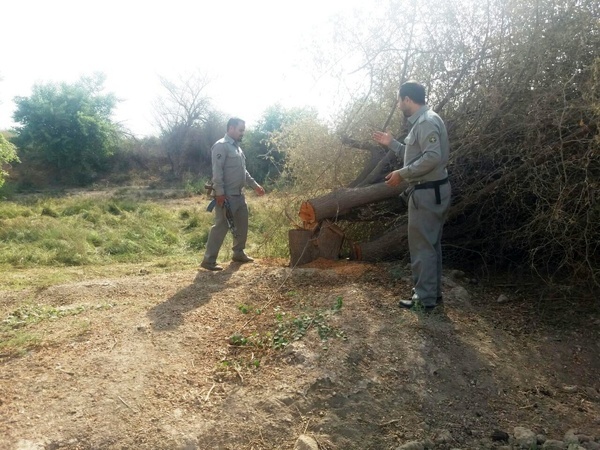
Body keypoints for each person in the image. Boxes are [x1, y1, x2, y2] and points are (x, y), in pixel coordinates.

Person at [372, 81, 451, 310]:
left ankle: (424, 300)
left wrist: (401, 174)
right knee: (431, 245)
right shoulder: (425, 121)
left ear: (407, 99)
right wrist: (392, 144)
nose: (398, 105)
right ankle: (432, 296)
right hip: (433, 191)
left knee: (422, 248)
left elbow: (431, 158)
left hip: (427, 193)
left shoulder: (425, 122)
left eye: (399, 100)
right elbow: (417, 153)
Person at [201, 117, 265, 271]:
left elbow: (244, 171)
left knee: (242, 224)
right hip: (226, 196)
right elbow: (217, 172)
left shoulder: (237, 147)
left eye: (243, 130)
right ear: (231, 128)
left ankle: (238, 253)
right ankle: (209, 260)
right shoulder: (221, 146)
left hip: (239, 195)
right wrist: (220, 194)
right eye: (240, 130)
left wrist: (255, 186)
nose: (242, 133)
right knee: (221, 226)